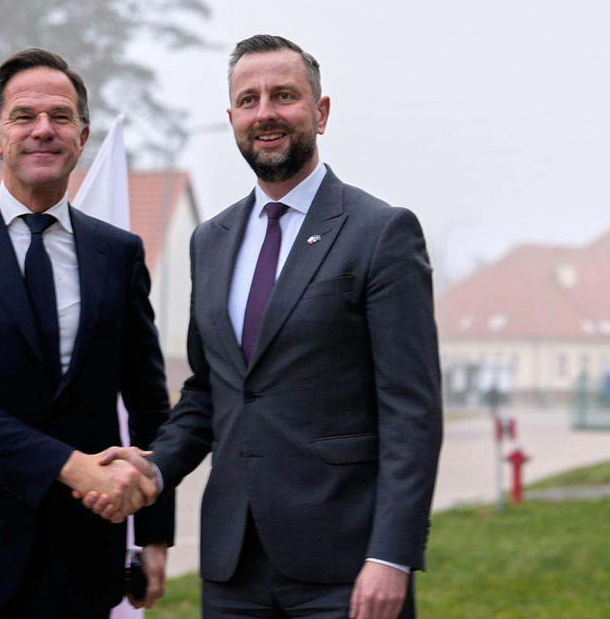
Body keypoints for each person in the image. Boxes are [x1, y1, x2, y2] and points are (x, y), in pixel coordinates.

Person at [88, 35, 443, 619]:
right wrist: (153, 467)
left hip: (346, 566)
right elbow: (209, 391)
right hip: (233, 567)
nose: (265, 113)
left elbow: (412, 411)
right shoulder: (211, 240)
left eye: (284, 96)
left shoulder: (381, 233)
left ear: (320, 112)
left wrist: (392, 555)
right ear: (232, 118)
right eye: (248, 100)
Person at [0, 48, 174, 618]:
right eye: (24, 116)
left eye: (60, 117)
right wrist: (72, 466)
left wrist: (154, 536)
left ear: (82, 136)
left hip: (82, 562)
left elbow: (149, 403)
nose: (43, 129)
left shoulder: (119, 254)